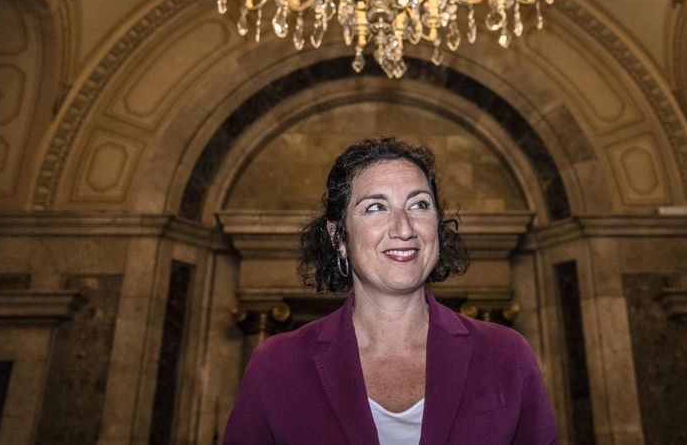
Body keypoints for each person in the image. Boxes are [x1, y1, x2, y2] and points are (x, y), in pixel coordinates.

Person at [223, 137, 558, 444]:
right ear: (339, 237)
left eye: (419, 205)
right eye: (375, 207)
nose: (404, 228)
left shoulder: (507, 354)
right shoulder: (277, 365)